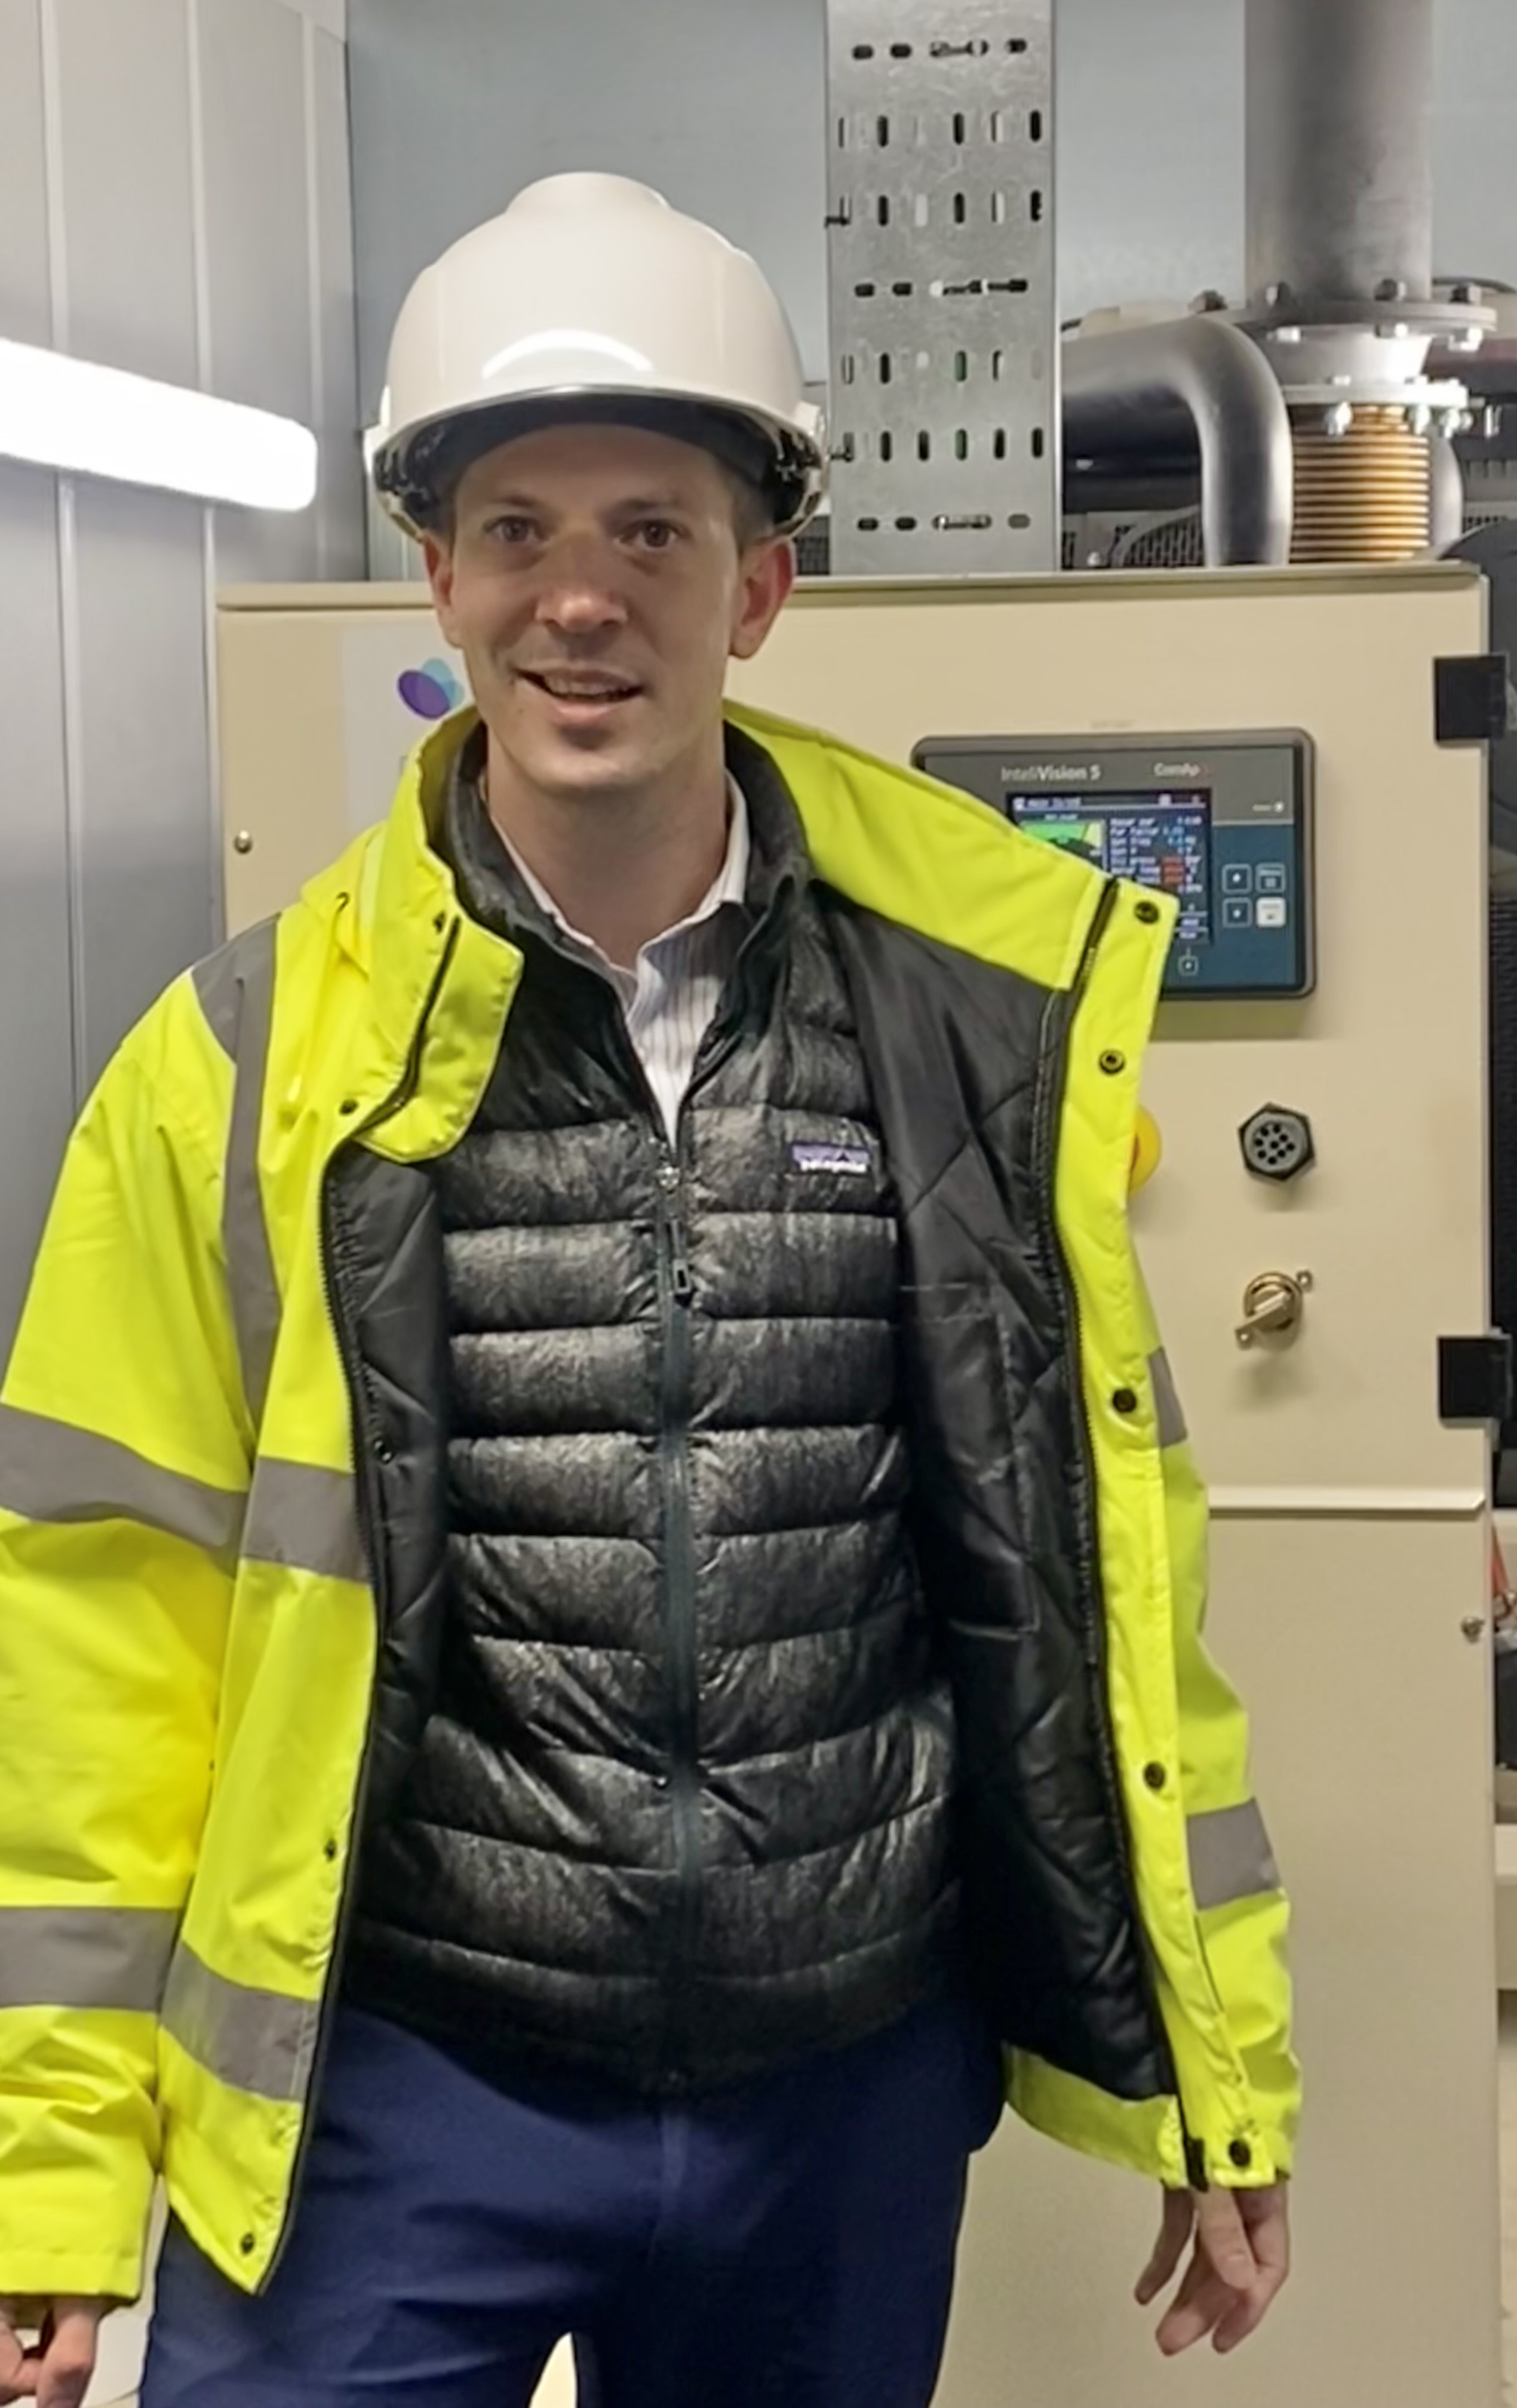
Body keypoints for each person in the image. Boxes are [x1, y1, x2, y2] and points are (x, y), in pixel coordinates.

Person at [0, 173, 1298, 2408]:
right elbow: (104, 1625)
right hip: (399, 2098)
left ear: (762, 587)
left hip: (841, 2080)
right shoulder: (238, 1067)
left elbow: (1111, 1578)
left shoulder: (967, 1038)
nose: (576, 602)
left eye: (651, 534)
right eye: (515, 529)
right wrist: (48, 2169)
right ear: (435, 570)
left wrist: (1223, 2067)